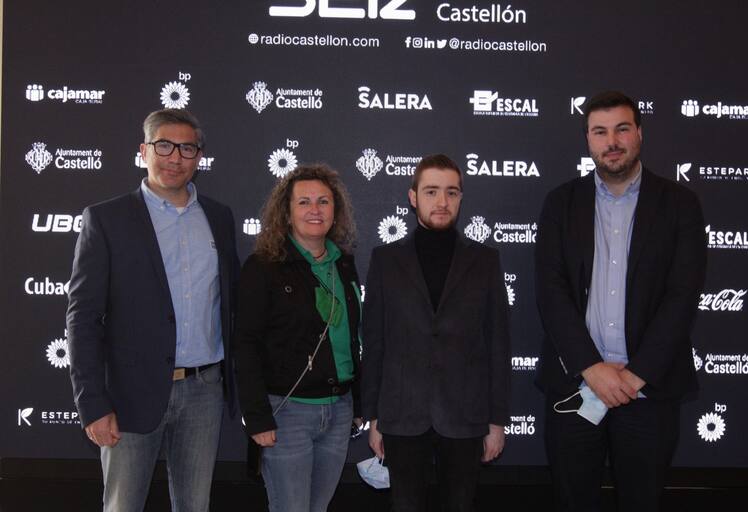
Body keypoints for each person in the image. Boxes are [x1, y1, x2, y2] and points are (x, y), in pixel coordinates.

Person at [534, 91, 707, 511]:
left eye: (621, 129)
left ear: (639, 134)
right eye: (600, 132)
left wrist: (634, 376)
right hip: (577, 388)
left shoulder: (680, 204)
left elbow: (682, 296)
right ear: (588, 140)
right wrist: (592, 369)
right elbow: (551, 292)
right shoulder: (560, 203)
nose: (611, 141)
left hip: (649, 393)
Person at [66, 109, 239, 511]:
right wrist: (92, 404)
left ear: (199, 156)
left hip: (204, 390)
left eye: (186, 148)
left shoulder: (219, 217)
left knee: (195, 505)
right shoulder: (106, 219)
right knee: (123, 505)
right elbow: (82, 317)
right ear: (144, 151)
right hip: (129, 393)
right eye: (164, 146)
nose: (175, 157)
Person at [361, 154, 511, 512]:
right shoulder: (385, 260)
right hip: (401, 414)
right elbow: (375, 342)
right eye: (431, 191)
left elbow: (498, 344)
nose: (442, 201)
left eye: (451, 192)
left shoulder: (485, 261)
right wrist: (374, 417)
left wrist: (497, 421)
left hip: (466, 416)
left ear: (460, 197)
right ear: (413, 197)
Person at [234, 164, 362, 512]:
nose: (314, 210)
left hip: (339, 410)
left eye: (323, 201)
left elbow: (352, 339)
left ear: (335, 211)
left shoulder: (344, 264)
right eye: (304, 202)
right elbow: (245, 344)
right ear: (286, 213)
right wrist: (257, 416)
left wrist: (359, 404)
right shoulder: (263, 267)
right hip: (287, 413)